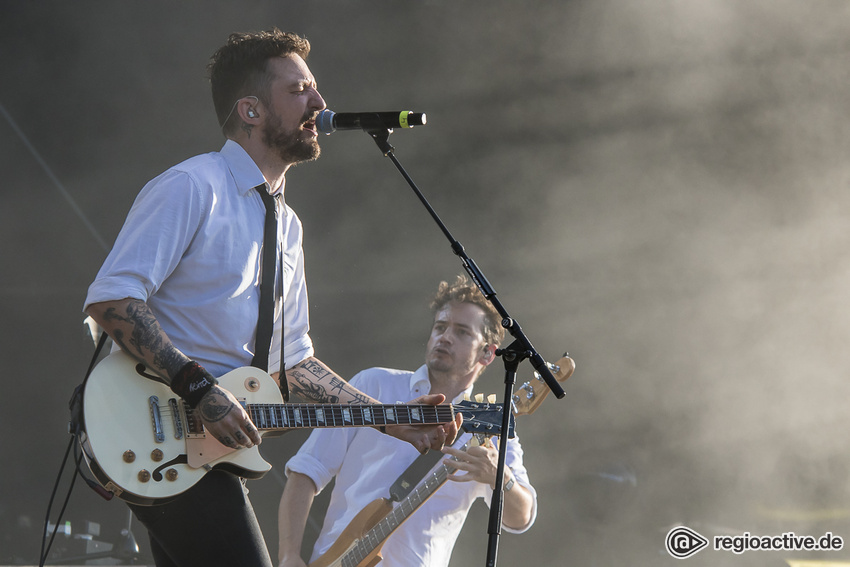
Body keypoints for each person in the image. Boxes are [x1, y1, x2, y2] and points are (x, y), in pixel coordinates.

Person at [83, 29, 458, 567]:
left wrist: (389, 417)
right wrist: (201, 390)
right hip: (158, 426)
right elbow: (113, 299)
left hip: (203, 456)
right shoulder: (192, 187)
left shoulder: (288, 225)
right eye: (300, 89)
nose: (320, 104)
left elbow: (295, 363)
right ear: (251, 110)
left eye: (315, 90)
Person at [278, 276, 537, 567]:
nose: (445, 337)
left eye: (462, 332)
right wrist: (289, 556)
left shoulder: (491, 428)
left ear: (488, 353)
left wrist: (498, 476)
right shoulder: (372, 385)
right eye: (440, 327)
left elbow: (521, 517)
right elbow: (307, 470)